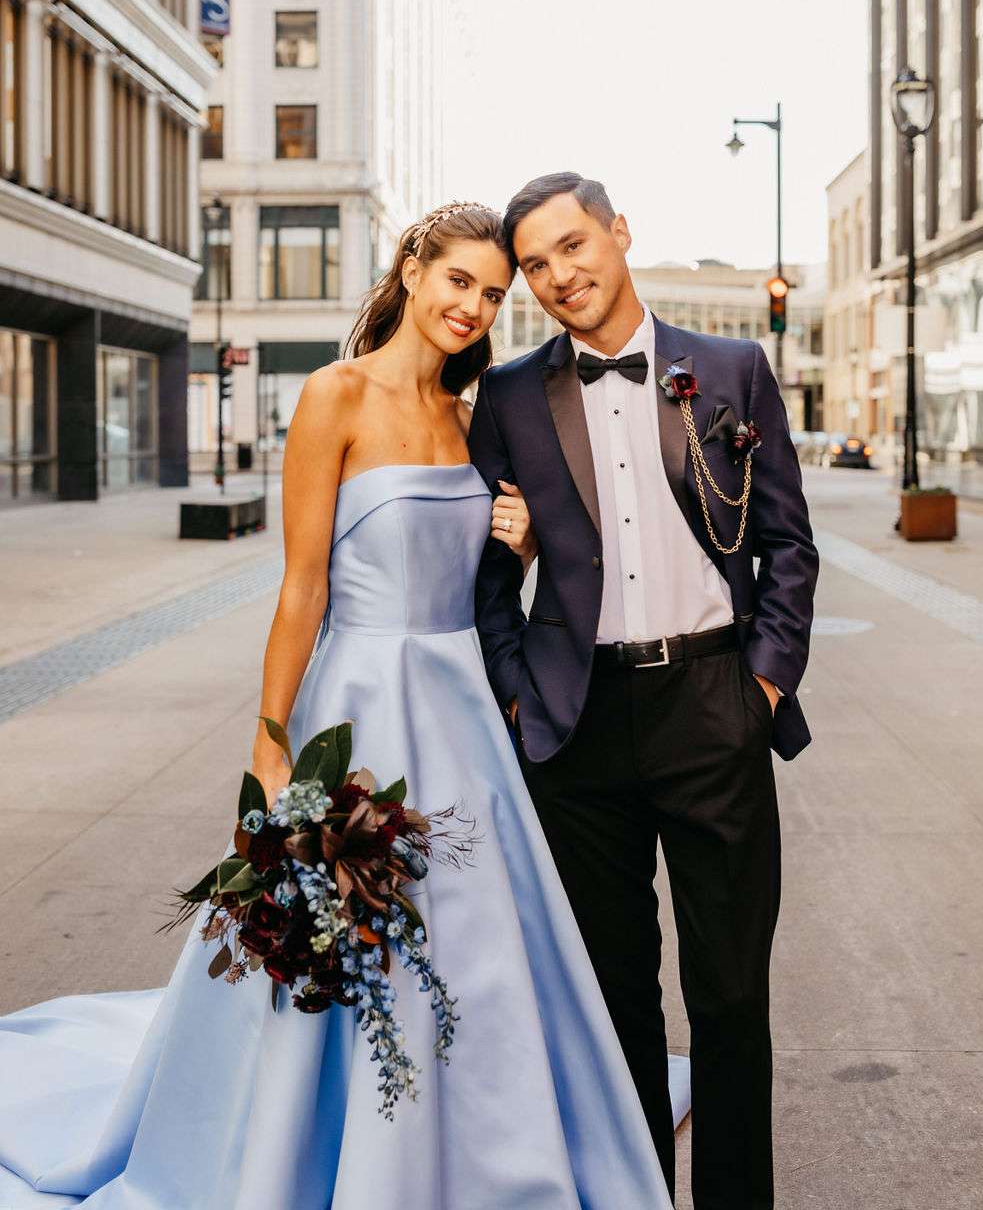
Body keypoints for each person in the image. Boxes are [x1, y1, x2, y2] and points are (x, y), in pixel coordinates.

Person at [0, 202, 683, 1210]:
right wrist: (271, 749)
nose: (474, 306)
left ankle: (489, 1148)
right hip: (361, 701)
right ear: (412, 268)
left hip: (465, 715)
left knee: (483, 942)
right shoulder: (335, 395)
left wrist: (523, 545)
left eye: (494, 294)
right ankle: (320, 1152)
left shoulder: (474, 415)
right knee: (348, 929)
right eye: (459, 281)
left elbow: (494, 581)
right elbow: (302, 588)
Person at [469, 172, 819, 1210]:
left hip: (714, 701)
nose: (559, 275)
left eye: (573, 246)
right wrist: (518, 696)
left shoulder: (730, 368)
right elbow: (481, 579)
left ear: (619, 234)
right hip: (577, 727)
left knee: (727, 995)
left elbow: (788, 542)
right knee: (612, 997)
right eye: (535, 264)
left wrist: (761, 684)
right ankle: (634, 1197)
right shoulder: (508, 396)